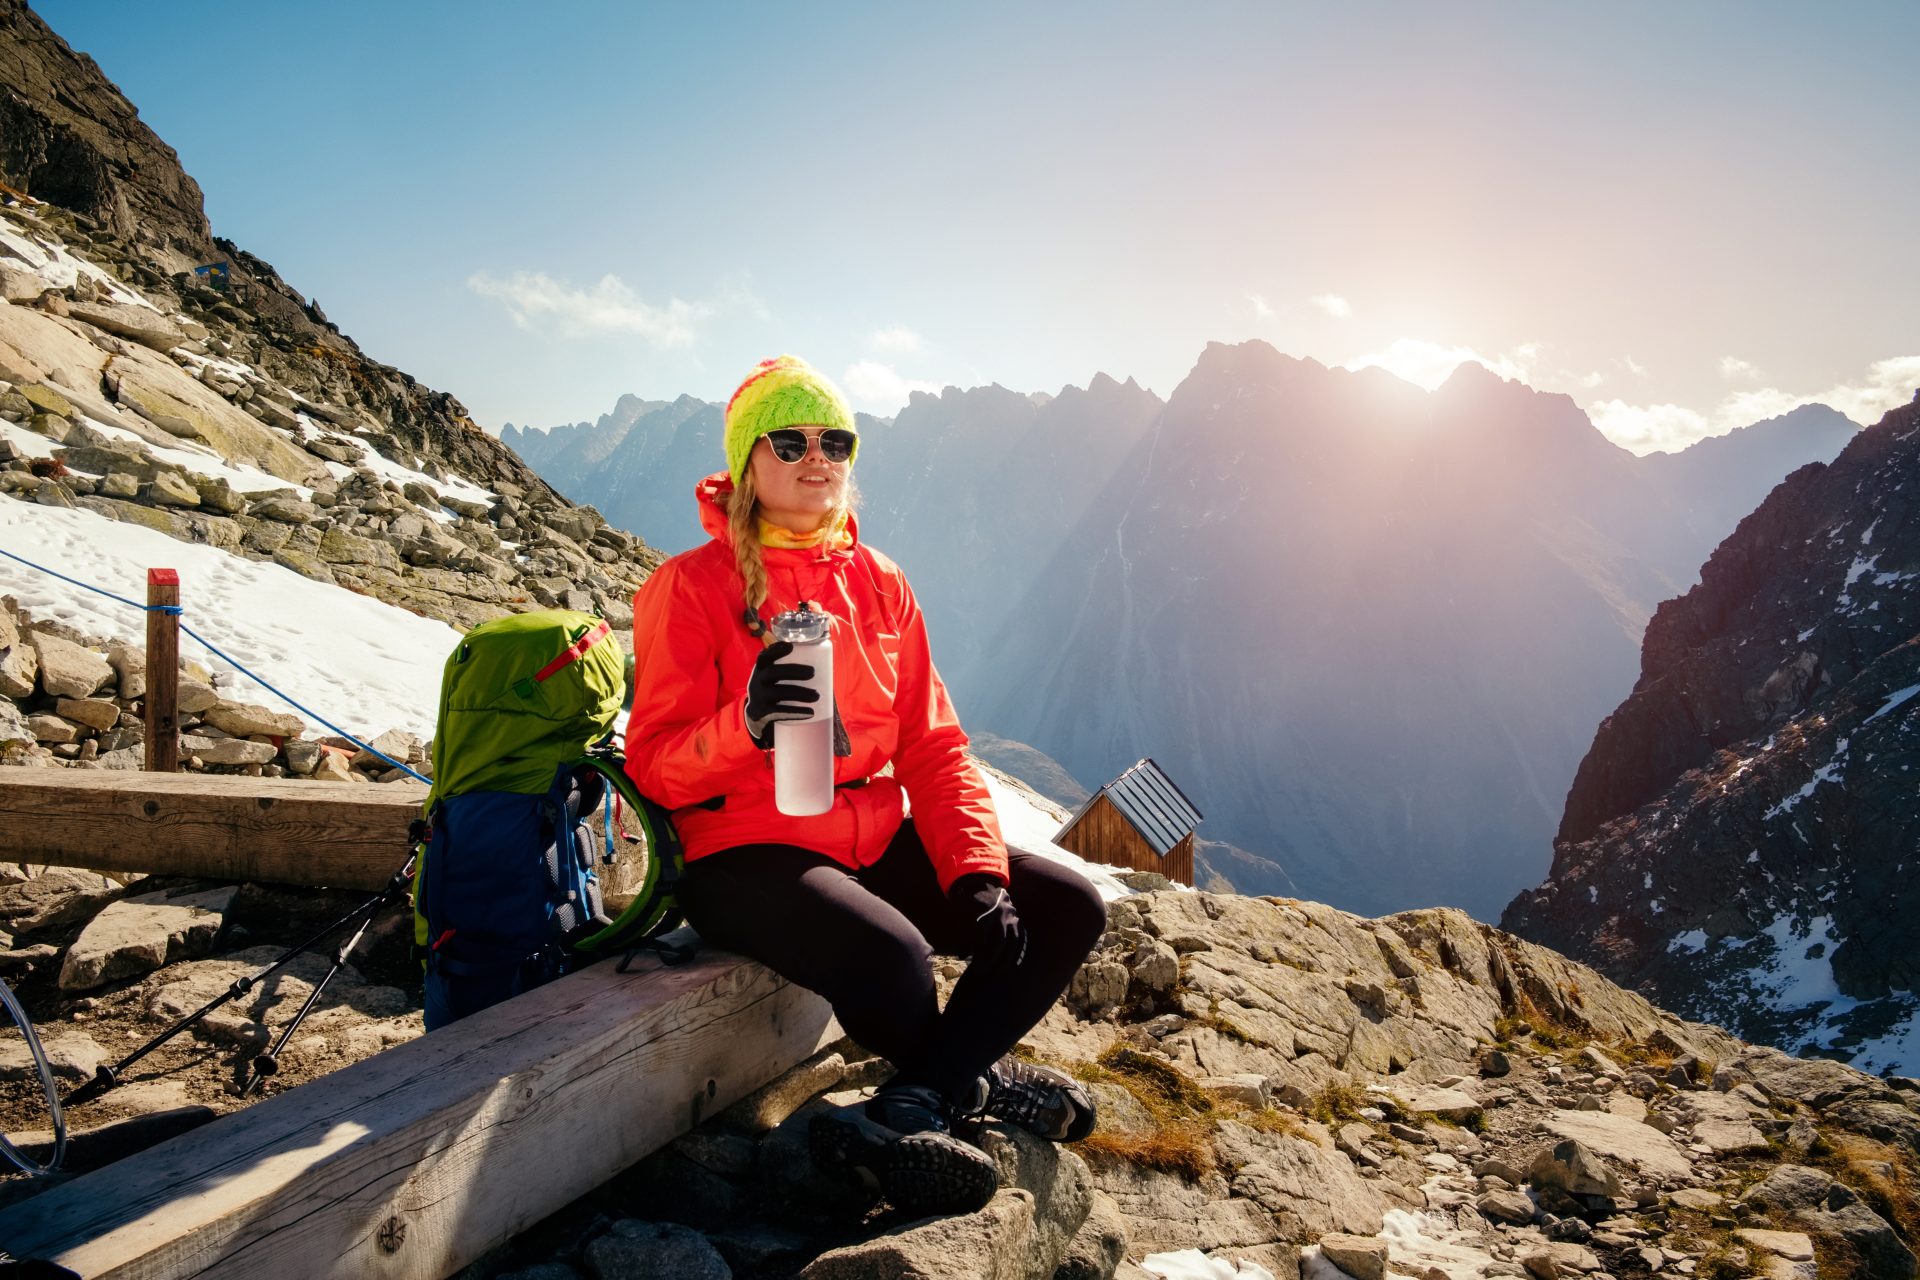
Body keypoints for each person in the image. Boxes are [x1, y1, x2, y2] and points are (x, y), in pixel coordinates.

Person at [625, 355, 1107, 1215]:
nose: (819, 457)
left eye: (836, 440)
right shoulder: (689, 587)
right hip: (741, 850)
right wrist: (744, 726)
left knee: (1067, 905)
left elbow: (934, 744)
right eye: (792, 439)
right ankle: (974, 1086)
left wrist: (977, 872)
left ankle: (915, 1101)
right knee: (893, 955)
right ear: (747, 463)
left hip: (866, 829)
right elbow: (654, 764)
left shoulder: (879, 581)